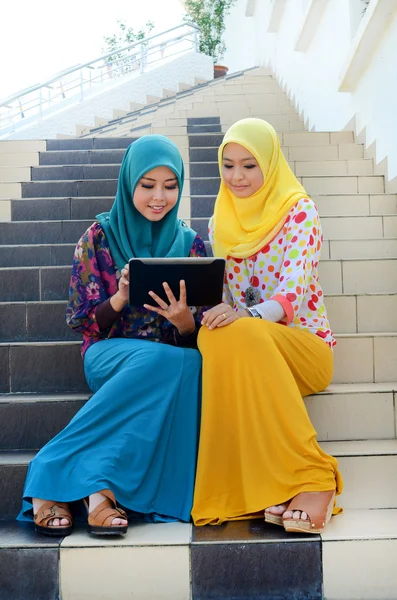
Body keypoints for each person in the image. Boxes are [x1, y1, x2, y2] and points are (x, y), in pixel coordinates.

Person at [17, 135, 206, 536]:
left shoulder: (191, 244)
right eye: (148, 185)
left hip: (168, 362)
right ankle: (52, 468)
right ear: (129, 184)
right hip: (107, 353)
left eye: (170, 187)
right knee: (165, 361)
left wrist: (185, 321)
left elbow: (198, 330)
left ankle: (99, 491)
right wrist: (120, 297)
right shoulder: (97, 238)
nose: (159, 197)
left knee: (189, 361)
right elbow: (82, 321)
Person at [191, 118, 343, 534]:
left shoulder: (299, 210)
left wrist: (249, 317)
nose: (237, 177)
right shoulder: (219, 221)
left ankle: (314, 477)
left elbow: (292, 292)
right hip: (250, 345)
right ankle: (271, 483)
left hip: (304, 347)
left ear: (271, 164)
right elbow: (223, 298)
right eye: (228, 165)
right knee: (212, 332)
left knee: (241, 329)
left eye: (249, 165)